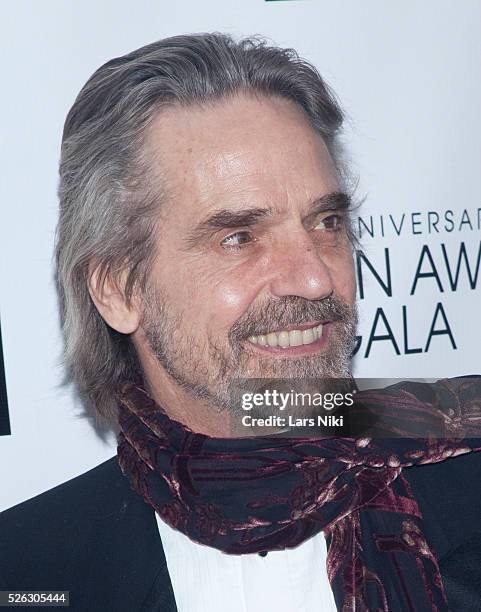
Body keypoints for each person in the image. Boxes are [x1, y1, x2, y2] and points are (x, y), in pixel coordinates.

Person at [1, 33, 481, 612]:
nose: (313, 279)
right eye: (239, 238)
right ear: (118, 289)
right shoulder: (28, 570)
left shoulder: (464, 470)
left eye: (326, 222)